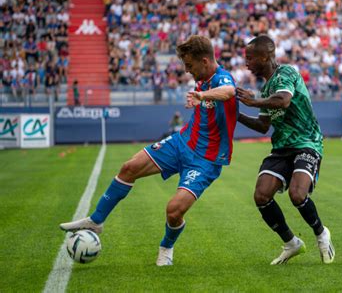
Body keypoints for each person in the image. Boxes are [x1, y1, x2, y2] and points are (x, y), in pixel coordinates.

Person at [60, 35, 238, 266]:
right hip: (181, 143)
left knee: (174, 211)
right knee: (129, 168)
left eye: (190, 65)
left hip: (205, 160)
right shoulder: (202, 79)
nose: (187, 70)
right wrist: (200, 95)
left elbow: (229, 91)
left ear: (205, 61)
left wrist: (201, 95)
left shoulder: (221, 77)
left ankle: (166, 247)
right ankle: (96, 221)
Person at [236, 35, 334, 265]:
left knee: (297, 194)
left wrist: (254, 101)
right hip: (282, 147)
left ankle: (321, 233)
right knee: (261, 195)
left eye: (250, 58)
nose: (246, 63)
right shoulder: (268, 85)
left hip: (306, 143)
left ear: (264, 57)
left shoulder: (287, 73)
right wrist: (235, 116)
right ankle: (292, 243)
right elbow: (262, 126)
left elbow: (283, 101)